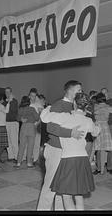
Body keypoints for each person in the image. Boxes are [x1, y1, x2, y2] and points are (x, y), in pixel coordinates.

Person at [40, 92, 101, 210]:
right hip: (82, 160)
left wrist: (48, 107)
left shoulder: (65, 117)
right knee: (78, 196)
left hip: (68, 160)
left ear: (74, 103)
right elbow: (96, 132)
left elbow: (44, 117)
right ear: (86, 106)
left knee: (66, 196)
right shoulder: (87, 120)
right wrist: (97, 125)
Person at [37, 80, 84, 210]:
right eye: (78, 90)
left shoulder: (75, 107)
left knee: (62, 188)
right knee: (50, 186)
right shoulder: (58, 105)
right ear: (69, 90)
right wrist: (70, 133)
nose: (81, 93)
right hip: (55, 150)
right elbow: (51, 128)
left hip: (67, 151)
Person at [15, 96, 40, 168]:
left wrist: (21, 119)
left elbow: (17, 118)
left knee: (22, 146)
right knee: (30, 146)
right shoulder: (32, 109)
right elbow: (37, 118)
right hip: (31, 128)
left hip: (24, 127)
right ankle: (29, 163)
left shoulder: (20, 109)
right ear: (28, 102)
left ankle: (18, 163)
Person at [5, 87, 19, 163]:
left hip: (13, 122)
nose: (7, 94)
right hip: (6, 122)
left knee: (14, 140)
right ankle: (10, 156)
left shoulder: (14, 101)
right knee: (8, 141)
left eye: (8, 92)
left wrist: (10, 102)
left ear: (11, 92)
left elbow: (13, 111)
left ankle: (17, 157)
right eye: (6, 92)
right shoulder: (4, 102)